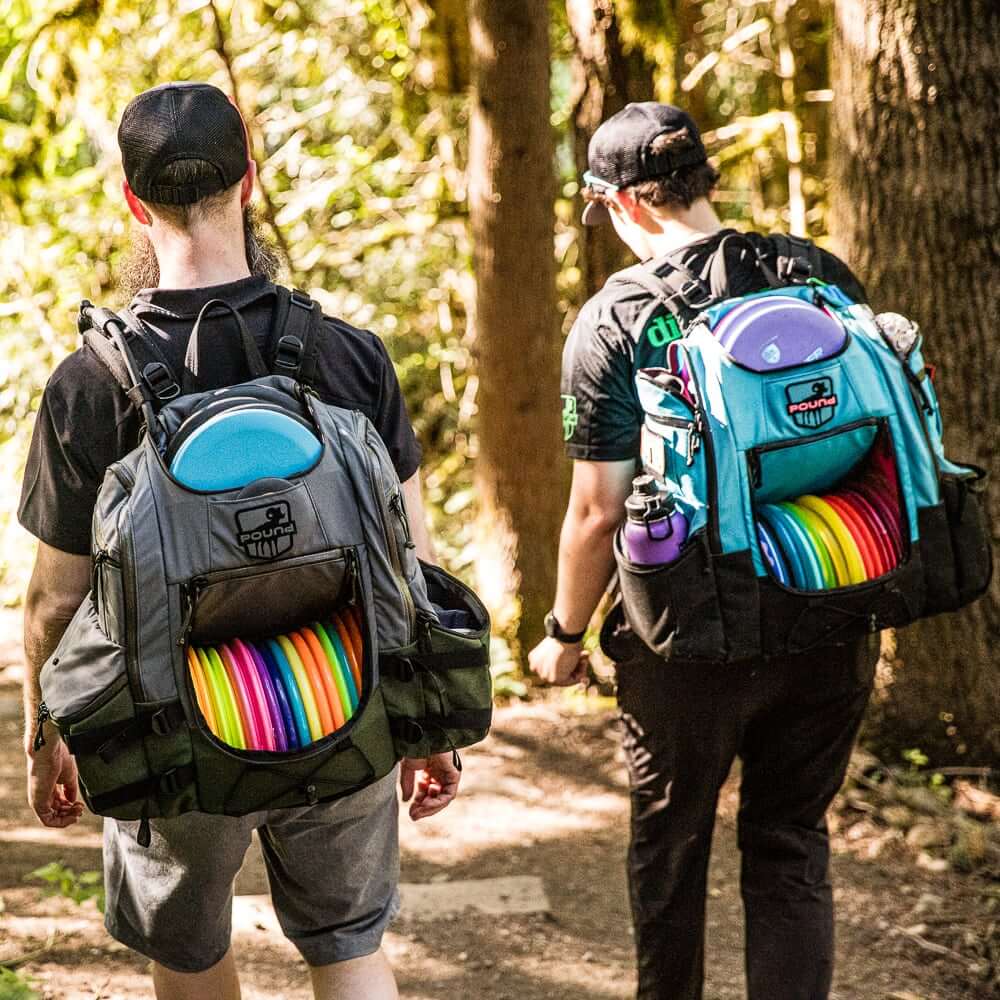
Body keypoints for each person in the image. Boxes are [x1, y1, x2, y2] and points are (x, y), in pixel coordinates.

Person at [20, 81, 460, 1000]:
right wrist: (429, 720)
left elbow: (56, 601)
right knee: (348, 946)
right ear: (249, 182)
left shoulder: (88, 386)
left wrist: (46, 735)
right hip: (343, 694)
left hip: (164, 726)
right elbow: (410, 562)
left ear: (133, 204)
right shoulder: (349, 353)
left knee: (186, 952)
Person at [528, 102, 876, 1000]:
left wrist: (563, 633)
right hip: (833, 596)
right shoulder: (819, 273)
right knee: (790, 841)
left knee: (672, 847)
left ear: (629, 202)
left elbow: (598, 513)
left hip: (690, 631)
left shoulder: (617, 320)